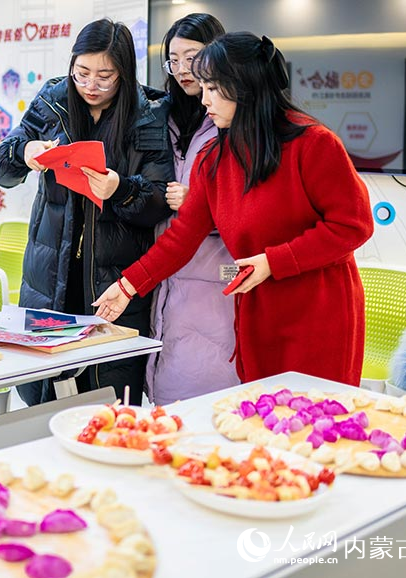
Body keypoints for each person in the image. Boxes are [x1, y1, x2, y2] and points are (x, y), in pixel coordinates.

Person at [94, 32, 374, 387]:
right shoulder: (214, 159)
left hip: (318, 314)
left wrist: (274, 262)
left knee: (314, 425)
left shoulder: (314, 144)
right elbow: (182, 236)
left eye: (213, 89)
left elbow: (353, 225)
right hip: (258, 314)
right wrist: (128, 284)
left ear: (245, 88)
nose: (204, 99)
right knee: (261, 421)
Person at [0, 19, 173, 406]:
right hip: (51, 275)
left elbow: (159, 201)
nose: (91, 85)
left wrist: (120, 189)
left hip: (112, 282)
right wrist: (23, 153)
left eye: (105, 76)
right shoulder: (53, 100)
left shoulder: (148, 114)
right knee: (44, 400)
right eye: (82, 73)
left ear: (124, 72)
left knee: (111, 400)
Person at [147, 13, 239, 405]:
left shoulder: (234, 119)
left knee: (211, 397)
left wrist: (202, 203)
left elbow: (253, 204)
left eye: (194, 58)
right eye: (174, 59)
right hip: (164, 273)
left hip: (218, 275)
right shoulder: (156, 117)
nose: (183, 69)